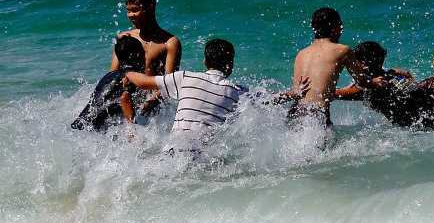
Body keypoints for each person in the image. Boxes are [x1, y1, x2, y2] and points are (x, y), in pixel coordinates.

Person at [122, 38, 307, 142]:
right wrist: (295, 93)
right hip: (204, 159)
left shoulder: (186, 78)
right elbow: (269, 100)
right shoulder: (237, 92)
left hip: (171, 154)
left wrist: (128, 75)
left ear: (205, 61)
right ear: (231, 65)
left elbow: (145, 82)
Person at [289, 7, 369, 128]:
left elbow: (297, 92)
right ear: (336, 28)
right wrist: (376, 82)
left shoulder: (301, 53)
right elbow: (363, 82)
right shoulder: (343, 50)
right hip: (316, 115)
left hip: (294, 112)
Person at [113, 0, 182, 118]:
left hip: (154, 108)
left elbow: (169, 82)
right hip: (125, 104)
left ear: (150, 8)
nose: (131, 15)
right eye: (128, 11)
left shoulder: (170, 42)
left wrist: (150, 103)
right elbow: (114, 74)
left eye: (135, 10)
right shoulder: (124, 38)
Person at [334, 41, 419, 127]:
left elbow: (329, 94)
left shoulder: (370, 87)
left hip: (413, 127)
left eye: (354, 62)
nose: (352, 65)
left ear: (363, 64)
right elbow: (408, 75)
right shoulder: (391, 74)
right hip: (422, 115)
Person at [71, 36, 146, 131]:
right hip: (91, 130)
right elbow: (125, 103)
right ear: (138, 55)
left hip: (80, 125)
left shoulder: (109, 75)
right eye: (143, 51)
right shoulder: (130, 76)